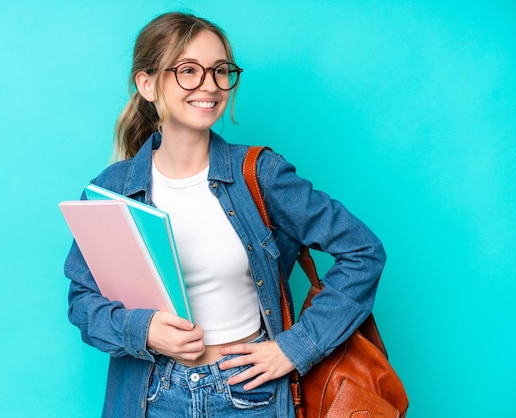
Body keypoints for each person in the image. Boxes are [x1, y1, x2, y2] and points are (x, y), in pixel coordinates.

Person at [64, 11, 386, 418]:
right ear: (147, 84)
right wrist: (142, 330)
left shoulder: (261, 175)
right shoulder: (112, 190)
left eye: (220, 71)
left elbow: (363, 251)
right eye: (188, 70)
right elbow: (82, 299)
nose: (210, 85)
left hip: (250, 396)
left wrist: (295, 348)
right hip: (154, 395)